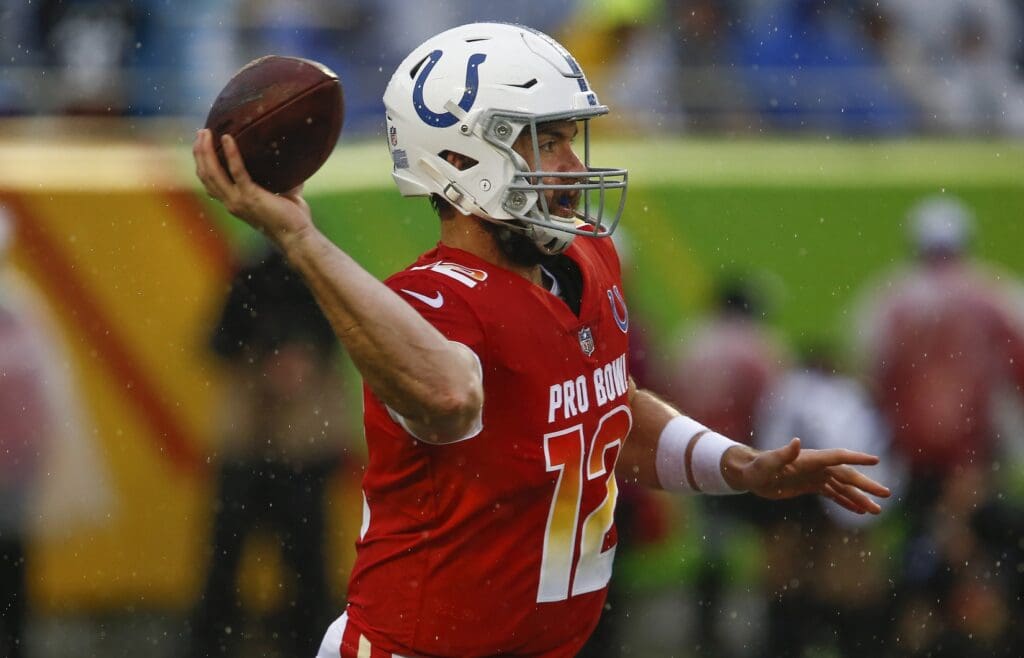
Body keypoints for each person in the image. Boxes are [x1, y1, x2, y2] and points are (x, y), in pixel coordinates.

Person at [193, 22, 890, 658]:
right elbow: (450, 396)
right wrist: (298, 237)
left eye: (568, 139)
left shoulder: (587, 262)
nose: (571, 165)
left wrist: (736, 466)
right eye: (545, 141)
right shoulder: (432, 299)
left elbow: (606, 410)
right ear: (463, 158)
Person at [189, 247, 350, 657]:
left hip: (292, 448)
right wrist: (274, 353)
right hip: (263, 447)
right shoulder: (303, 269)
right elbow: (218, 342)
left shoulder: (281, 272)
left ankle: (258, 642)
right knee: (246, 568)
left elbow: (217, 341)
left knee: (299, 569)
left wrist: (289, 352)